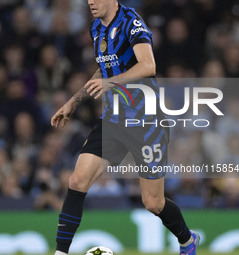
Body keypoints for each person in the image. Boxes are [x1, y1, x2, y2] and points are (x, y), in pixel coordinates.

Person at [51, 1, 199, 255]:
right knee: (77, 180)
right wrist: (73, 101)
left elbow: (148, 65)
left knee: (153, 203)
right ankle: (60, 252)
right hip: (114, 120)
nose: (90, 2)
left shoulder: (132, 22)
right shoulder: (96, 27)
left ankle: (187, 239)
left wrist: (112, 82)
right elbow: (104, 68)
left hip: (147, 122)